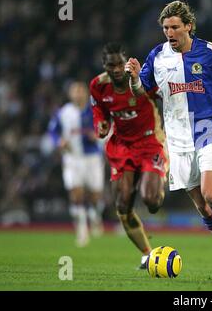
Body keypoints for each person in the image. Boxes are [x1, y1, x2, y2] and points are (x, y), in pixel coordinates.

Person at [125, 0, 212, 279]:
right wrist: (132, 78)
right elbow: (141, 92)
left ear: (188, 26)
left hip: (210, 129)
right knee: (202, 206)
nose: (170, 32)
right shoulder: (157, 56)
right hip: (177, 138)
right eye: (165, 28)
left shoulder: (210, 53)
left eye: (175, 27)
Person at [90, 43, 167, 268]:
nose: (115, 69)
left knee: (151, 201)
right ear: (104, 65)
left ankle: (161, 176)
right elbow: (99, 112)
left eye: (119, 64)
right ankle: (147, 253)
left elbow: (168, 97)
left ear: (127, 63)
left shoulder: (143, 79)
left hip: (150, 142)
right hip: (122, 147)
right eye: (110, 65)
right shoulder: (98, 85)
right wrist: (101, 125)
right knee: (123, 205)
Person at [48, 81, 105, 247]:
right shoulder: (63, 112)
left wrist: (99, 135)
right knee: (76, 195)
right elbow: (52, 131)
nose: (77, 94)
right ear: (70, 94)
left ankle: (95, 216)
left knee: (95, 196)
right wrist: (59, 141)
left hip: (93, 158)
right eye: (75, 91)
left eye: (80, 91)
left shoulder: (96, 110)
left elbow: (107, 128)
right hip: (72, 158)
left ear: (86, 93)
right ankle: (82, 230)